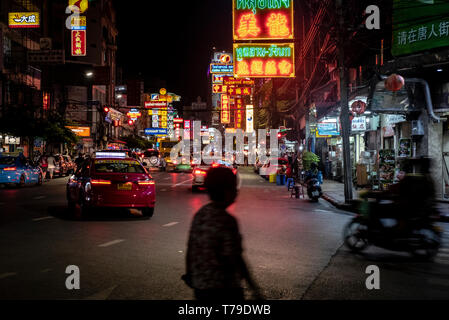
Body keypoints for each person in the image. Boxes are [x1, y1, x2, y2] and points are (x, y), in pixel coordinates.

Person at [184, 167, 263, 301]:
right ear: (227, 192)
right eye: (234, 187)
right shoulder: (227, 221)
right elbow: (235, 258)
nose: (237, 191)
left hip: (201, 288)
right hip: (225, 289)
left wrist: (190, 274)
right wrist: (253, 286)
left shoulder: (200, 215)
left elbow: (190, 249)